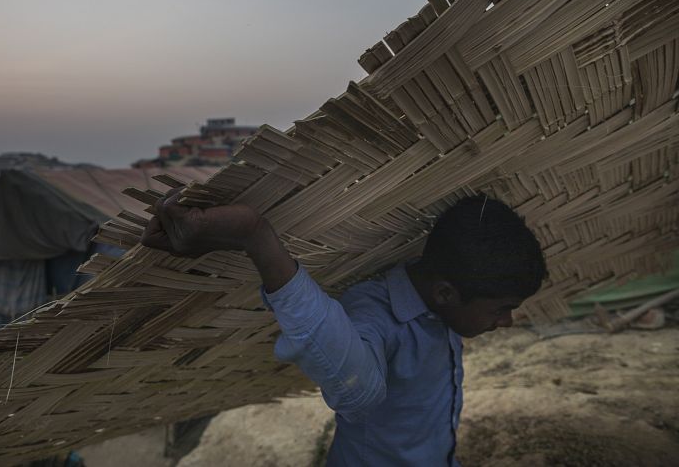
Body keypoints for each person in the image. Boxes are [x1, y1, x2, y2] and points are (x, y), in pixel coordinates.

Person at [141, 191, 547, 466]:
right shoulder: (374, 313)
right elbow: (357, 389)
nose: (506, 322)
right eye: (502, 310)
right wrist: (257, 238)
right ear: (445, 293)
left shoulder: (447, 307)